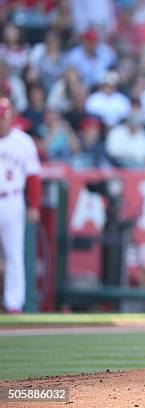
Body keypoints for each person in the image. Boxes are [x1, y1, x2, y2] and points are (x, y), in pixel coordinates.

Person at [0, 97, 42, 313]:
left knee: (14, 253)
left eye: (5, 118)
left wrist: (34, 205)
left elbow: (33, 177)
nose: (2, 122)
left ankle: (14, 303)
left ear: (11, 118)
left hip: (12, 199)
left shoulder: (23, 141)